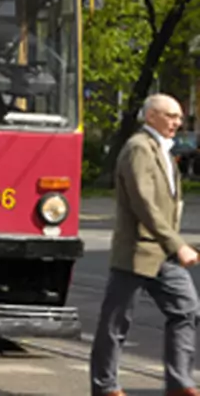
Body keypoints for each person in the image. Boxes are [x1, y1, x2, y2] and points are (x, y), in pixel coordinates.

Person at [90, 94, 200, 396]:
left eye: (179, 116)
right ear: (151, 116)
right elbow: (144, 203)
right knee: (116, 322)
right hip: (138, 251)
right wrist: (177, 244)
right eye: (171, 116)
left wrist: (171, 245)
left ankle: (179, 383)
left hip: (163, 253)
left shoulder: (162, 150)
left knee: (186, 310)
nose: (178, 122)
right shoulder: (138, 148)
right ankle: (105, 387)